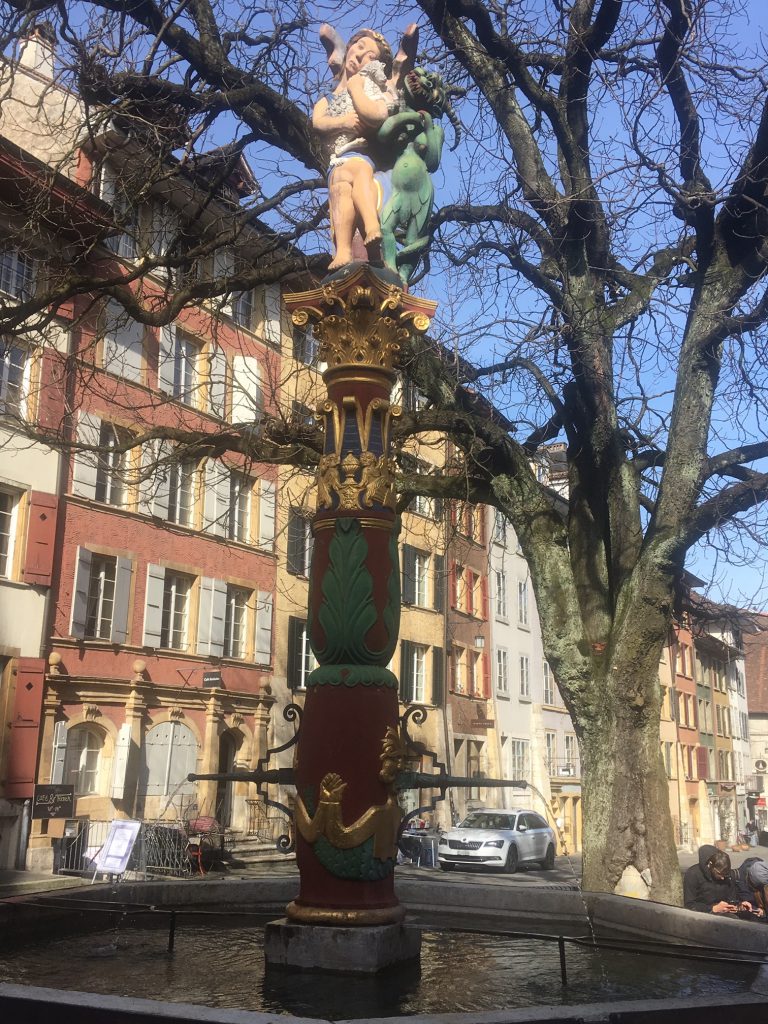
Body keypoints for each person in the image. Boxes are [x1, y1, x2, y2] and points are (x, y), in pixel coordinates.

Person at [312, 30, 397, 270]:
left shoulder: (372, 90)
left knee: (360, 173)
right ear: (348, 47)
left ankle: (372, 228)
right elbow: (318, 122)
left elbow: (377, 115)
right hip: (338, 158)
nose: (360, 55)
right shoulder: (328, 98)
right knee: (339, 188)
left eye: (369, 55)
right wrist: (343, 122)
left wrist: (357, 87)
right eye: (358, 46)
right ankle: (344, 251)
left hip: (360, 153)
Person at [683, 845, 757, 914]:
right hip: (702, 916)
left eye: (725, 875)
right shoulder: (693, 874)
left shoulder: (728, 876)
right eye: (720, 874)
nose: (723, 878)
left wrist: (739, 905)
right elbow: (689, 905)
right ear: (710, 866)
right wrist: (712, 909)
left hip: (725, 914)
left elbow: (731, 899)